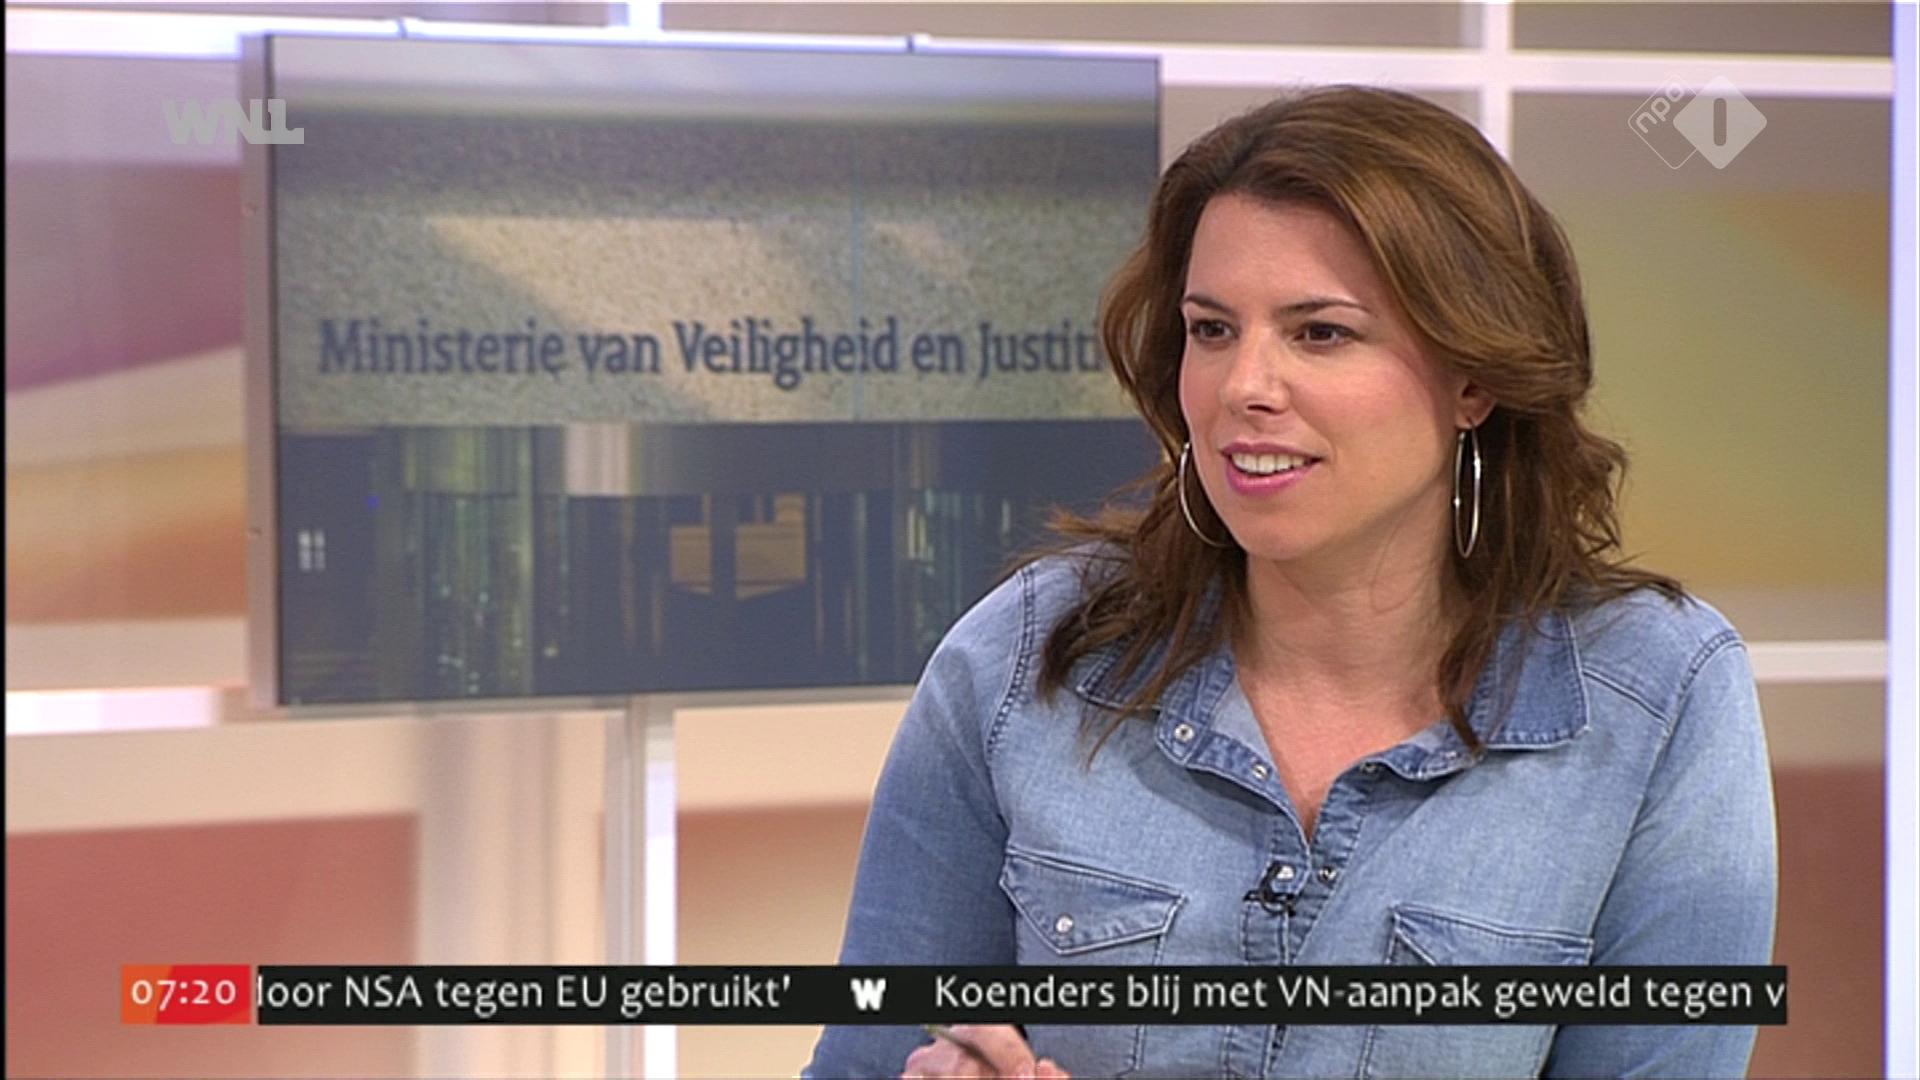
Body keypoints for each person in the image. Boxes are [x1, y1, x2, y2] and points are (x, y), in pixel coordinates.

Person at [803, 84, 1777, 1079]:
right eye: (1212, 330)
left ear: (1474, 378)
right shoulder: (1024, 659)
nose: (1243, 388)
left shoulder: (1658, 694)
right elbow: (867, 1061)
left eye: (1320, 333)